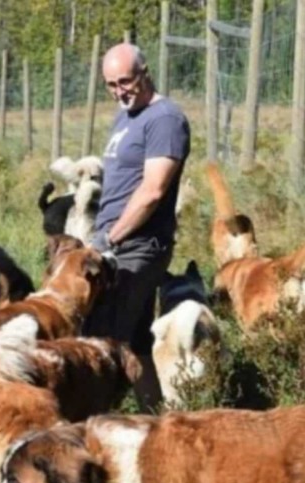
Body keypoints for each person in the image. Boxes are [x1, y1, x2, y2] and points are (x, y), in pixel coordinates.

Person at [86, 43, 191, 412]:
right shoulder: (126, 115)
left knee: (104, 340)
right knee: (135, 340)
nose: (119, 91)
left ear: (145, 72)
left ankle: (97, 427)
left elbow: (152, 191)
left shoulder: (164, 119)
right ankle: (155, 418)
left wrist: (109, 239)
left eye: (126, 81)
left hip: (137, 246)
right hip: (117, 242)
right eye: (111, 84)